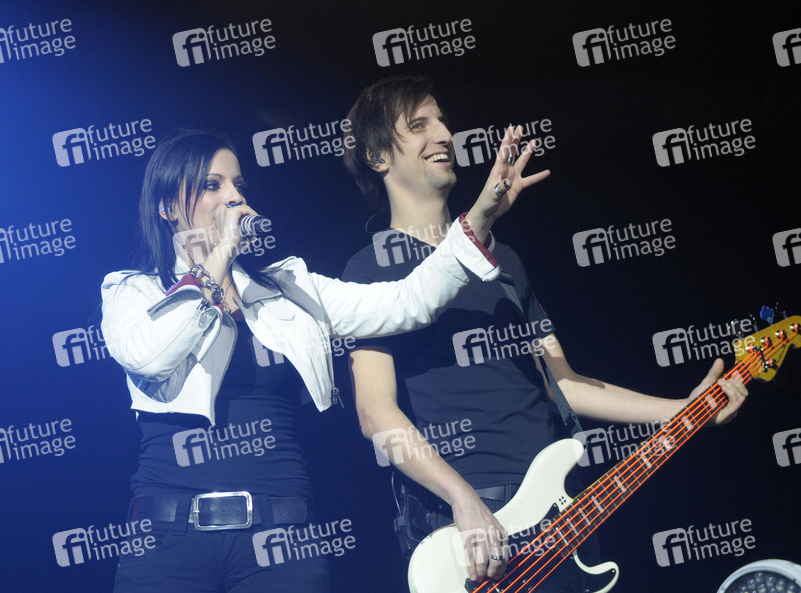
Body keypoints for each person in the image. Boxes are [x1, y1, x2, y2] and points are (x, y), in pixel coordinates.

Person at [340, 75, 749, 589]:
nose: (444, 134)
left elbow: (564, 383)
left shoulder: (504, 260)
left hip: (559, 511)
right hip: (466, 525)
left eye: (443, 121)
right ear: (378, 156)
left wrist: (686, 409)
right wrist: (462, 498)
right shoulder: (368, 270)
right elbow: (376, 413)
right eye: (419, 125)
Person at [99, 128, 537, 592]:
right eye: (213, 185)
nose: (234, 198)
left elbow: (409, 301)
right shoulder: (132, 291)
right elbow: (150, 357)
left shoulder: (289, 288)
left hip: (281, 540)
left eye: (239, 185)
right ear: (167, 207)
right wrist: (219, 255)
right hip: (169, 539)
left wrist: (481, 216)